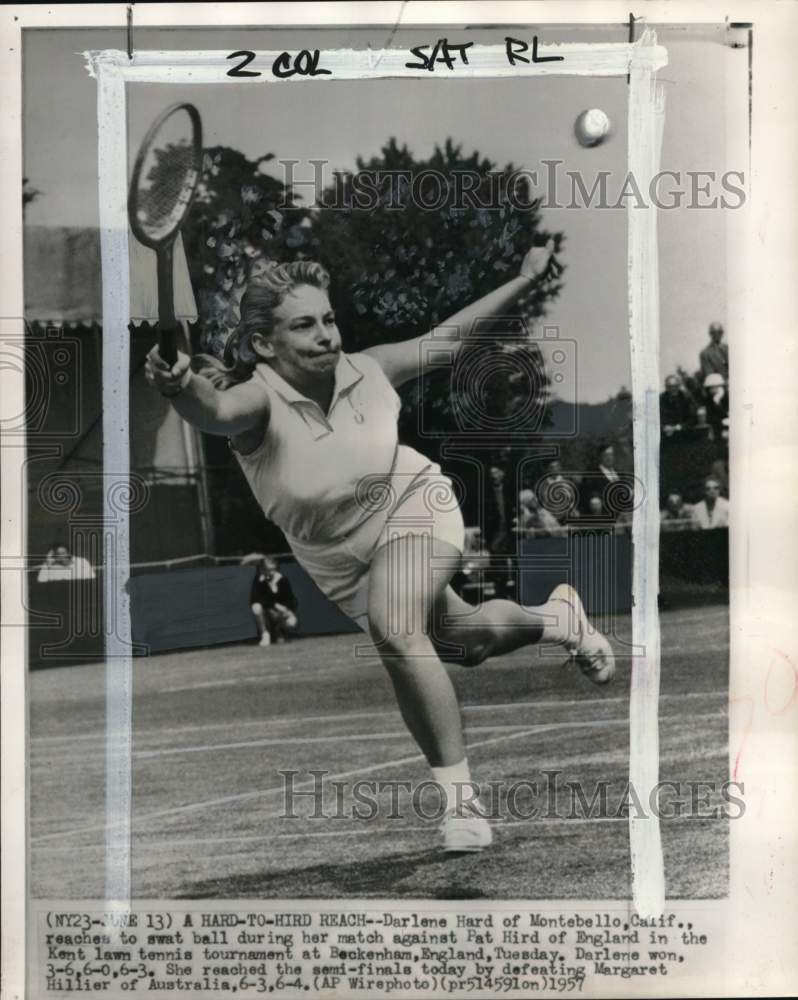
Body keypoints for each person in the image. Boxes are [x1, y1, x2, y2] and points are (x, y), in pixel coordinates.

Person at [145, 248, 615, 853]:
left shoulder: (370, 369)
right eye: (304, 324)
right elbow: (210, 408)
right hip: (336, 558)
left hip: (411, 503)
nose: (326, 336)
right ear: (264, 345)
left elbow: (448, 340)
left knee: (397, 628)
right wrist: (177, 383)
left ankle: (461, 807)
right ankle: (558, 620)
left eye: (329, 319)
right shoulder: (256, 404)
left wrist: (523, 280)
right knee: (462, 640)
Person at [249, 555, 299, 646]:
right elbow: (255, 599)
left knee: (292, 623)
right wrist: (273, 607)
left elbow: (291, 600)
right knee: (256, 606)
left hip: (282, 612)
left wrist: (286, 610)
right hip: (266, 612)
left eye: (273, 569)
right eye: (268, 570)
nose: (271, 572)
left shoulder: (283, 580)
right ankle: (265, 635)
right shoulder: (259, 581)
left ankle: (280, 633)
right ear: (262, 570)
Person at [484, 464, 514, 599]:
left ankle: (515, 592)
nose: (494, 476)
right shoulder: (487, 493)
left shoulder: (510, 490)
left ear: (502, 474)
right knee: (497, 563)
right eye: (492, 474)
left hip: (510, 531)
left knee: (515, 563)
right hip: (495, 533)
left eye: (496, 473)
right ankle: (500, 593)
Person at [659, 374, 696, 441]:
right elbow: (656, 419)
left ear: (679, 386)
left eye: (675, 386)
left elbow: (693, 417)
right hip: (666, 436)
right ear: (666, 387)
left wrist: (678, 427)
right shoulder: (661, 399)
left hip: (685, 434)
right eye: (670, 386)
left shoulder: (687, 398)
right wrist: (664, 427)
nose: (673, 389)